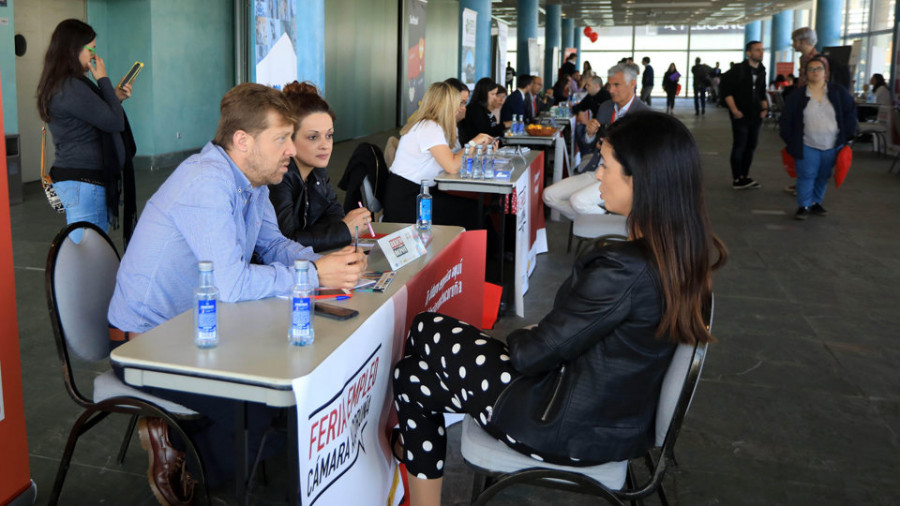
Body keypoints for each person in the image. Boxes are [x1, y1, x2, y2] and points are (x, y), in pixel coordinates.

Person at [392, 111, 727, 506]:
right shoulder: (679, 254)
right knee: (413, 375)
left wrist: (531, 332)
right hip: (612, 418)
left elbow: (533, 355)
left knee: (428, 327)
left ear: (644, 178)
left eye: (605, 165)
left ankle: (409, 446)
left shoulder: (624, 268)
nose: (597, 175)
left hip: (563, 426)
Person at [108, 83, 368, 503]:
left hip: (200, 328)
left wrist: (332, 265)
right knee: (261, 418)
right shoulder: (206, 183)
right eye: (281, 138)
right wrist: (316, 274)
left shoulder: (254, 182)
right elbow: (230, 283)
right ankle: (183, 456)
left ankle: (194, 445)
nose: (290, 149)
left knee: (279, 411)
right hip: (147, 343)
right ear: (242, 141)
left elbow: (276, 247)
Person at [37, 19, 136, 244]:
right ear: (73, 50)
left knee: (89, 250)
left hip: (83, 181)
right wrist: (103, 79)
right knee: (88, 252)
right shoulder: (69, 87)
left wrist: (116, 97)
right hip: (84, 182)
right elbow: (113, 122)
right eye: (90, 49)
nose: (94, 56)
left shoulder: (68, 84)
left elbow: (101, 115)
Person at [268, 82, 371, 252]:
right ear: (289, 138)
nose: (326, 145)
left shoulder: (316, 169)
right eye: (313, 137)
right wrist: (344, 230)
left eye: (329, 135)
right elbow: (285, 242)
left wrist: (338, 229)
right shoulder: (278, 177)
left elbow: (334, 215)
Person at [543, 63, 648, 221]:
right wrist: (590, 134)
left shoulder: (644, 114)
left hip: (622, 177)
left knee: (578, 201)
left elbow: (645, 155)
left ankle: (614, 227)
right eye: (610, 85)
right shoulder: (606, 107)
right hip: (595, 169)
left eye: (616, 85)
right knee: (548, 195)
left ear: (632, 83)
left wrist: (613, 148)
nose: (610, 90)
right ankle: (606, 225)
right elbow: (590, 144)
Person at [383, 82, 493, 228]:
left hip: (416, 193)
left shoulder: (433, 125)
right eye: (458, 103)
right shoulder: (429, 127)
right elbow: (452, 166)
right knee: (474, 211)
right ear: (447, 105)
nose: (461, 108)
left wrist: (478, 149)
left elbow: (454, 158)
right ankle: (484, 250)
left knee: (475, 208)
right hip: (409, 201)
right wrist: (473, 143)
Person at [780, 56, 857, 220]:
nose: (815, 72)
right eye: (811, 69)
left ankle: (816, 202)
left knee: (823, 175)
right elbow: (786, 119)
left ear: (826, 73)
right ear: (805, 73)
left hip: (832, 144)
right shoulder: (797, 96)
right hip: (806, 143)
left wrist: (847, 136)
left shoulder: (838, 92)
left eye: (819, 69)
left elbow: (850, 114)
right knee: (806, 175)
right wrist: (790, 140)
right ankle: (804, 205)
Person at [720, 41, 767, 190]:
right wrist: (734, 110)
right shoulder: (738, 70)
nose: (761, 52)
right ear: (748, 53)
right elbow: (726, 91)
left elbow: (762, 90)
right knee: (740, 145)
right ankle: (737, 178)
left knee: (751, 145)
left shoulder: (762, 70)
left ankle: (744, 177)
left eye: (762, 50)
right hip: (741, 115)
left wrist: (764, 107)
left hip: (756, 115)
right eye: (757, 50)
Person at [571, 75, 612, 156]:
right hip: (593, 126)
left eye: (588, 85)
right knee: (579, 129)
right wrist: (580, 113)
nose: (585, 87)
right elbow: (576, 107)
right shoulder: (590, 96)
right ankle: (585, 155)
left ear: (596, 86)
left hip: (605, 128)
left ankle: (589, 153)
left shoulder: (607, 97)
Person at [461, 77, 505, 144]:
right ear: (484, 94)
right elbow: (485, 132)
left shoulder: (486, 110)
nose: (495, 97)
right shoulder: (474, 110)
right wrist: (503, 125)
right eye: (493, 94)